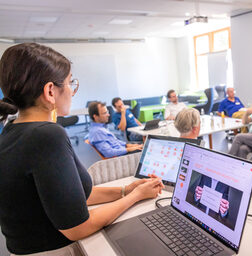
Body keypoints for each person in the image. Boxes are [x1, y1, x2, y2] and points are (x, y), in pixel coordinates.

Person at [0, 43, 164, 255]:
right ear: (50, 91)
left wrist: (126, 190)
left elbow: (68, 198)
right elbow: (77, 227)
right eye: (70, 83)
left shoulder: (13, 130)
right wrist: (136, 197)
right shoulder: (46, 135)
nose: (72, 91)